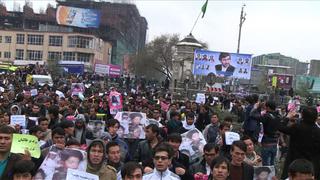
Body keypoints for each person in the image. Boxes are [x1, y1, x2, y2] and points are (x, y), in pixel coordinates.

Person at [279, 107, 320, 179]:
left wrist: (287, 117)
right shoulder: (317, 131)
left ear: (302, 115)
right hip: (310, 165)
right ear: (316, 117)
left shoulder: (297, 127)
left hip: (294, 161)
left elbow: (280, 127)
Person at [250, 100, 280, 166]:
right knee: (272, 164)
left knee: (266, 165)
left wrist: (255, 107)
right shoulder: (279, 116)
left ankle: (267, 176)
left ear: (268, 107)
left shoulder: (266, 116)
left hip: (267, 143)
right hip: (275, 143)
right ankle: (272, 175)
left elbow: (252, 115)